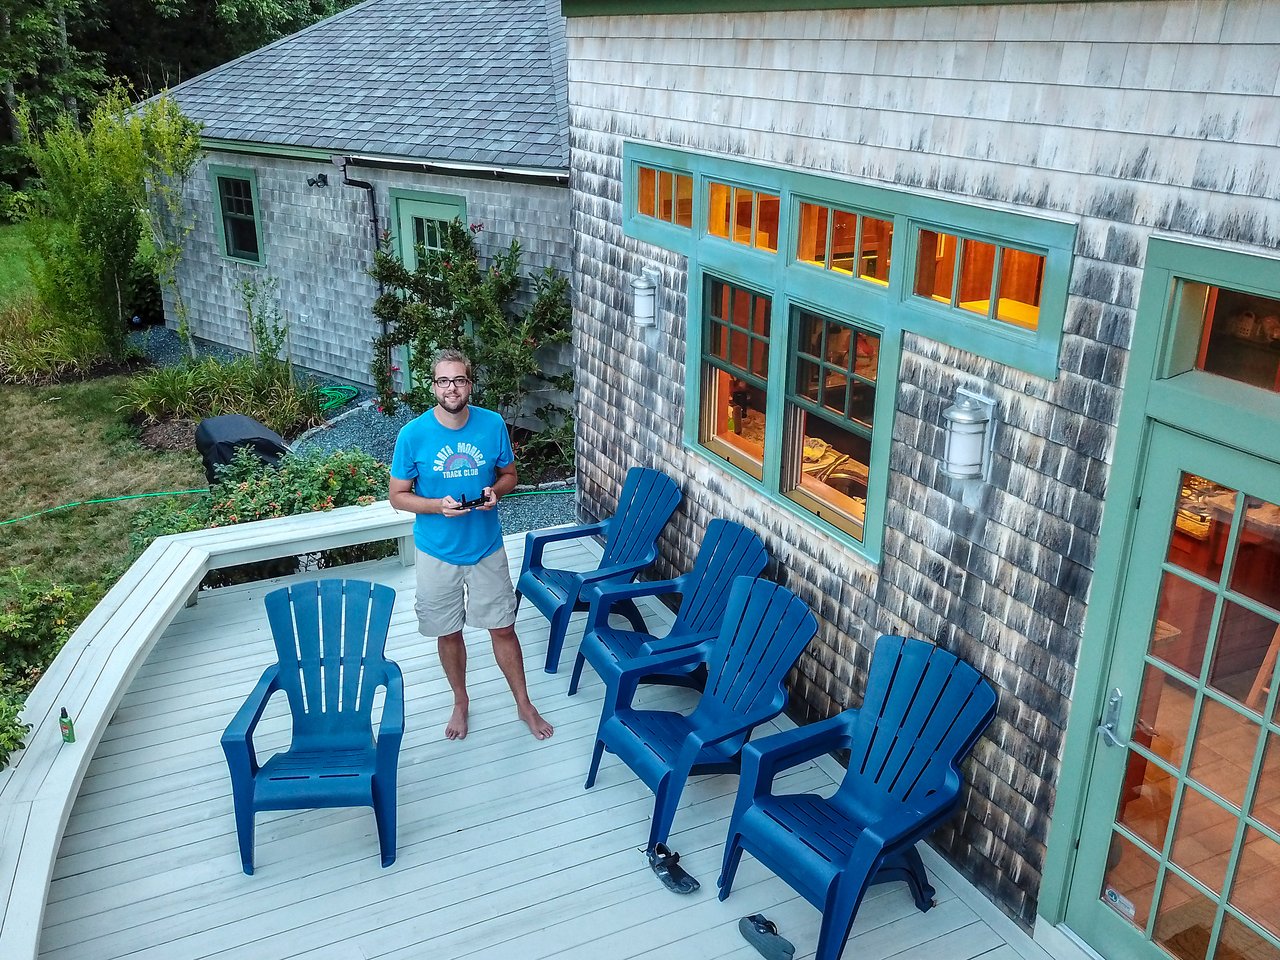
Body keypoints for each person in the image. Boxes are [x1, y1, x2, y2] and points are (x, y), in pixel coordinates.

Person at [389, 349, 554, 741]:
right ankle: (460, 700)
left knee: (503, 628)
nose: (452, 388)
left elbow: (510, 474)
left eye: (459, 380)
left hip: (485, 548)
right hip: (436, 551)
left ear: (469, 384)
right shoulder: (412, 435)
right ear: (433, 386)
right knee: (448, 632)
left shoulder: (492, 424)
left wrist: (496, 492)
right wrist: (436, 507)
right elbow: (397, 495)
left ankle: (523, 703)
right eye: (444, 380)